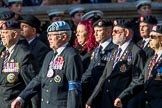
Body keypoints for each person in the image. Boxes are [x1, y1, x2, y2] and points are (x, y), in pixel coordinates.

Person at [11, 21, 83, 108]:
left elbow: (74, 89)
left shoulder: (71, 55)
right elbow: (39, 79)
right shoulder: (49, 55)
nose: (49, 38)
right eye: (48, 35)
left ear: (64, 37)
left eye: (52, 35)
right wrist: (21, 97)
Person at [85, 19, 146, 108]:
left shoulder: (136, 52)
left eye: (116, 31)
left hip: (122, 102)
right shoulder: (115, 51)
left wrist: (123, 97)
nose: (113, 34)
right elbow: (104, 77)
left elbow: (137, 80)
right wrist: (92, 99)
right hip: (107, 101)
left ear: (126, 33)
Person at [114, 24, 162, 108]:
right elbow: (140, 81)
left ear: (161, 39)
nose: (149, 39)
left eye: (153, 37)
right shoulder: (151, 60)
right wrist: (122, 96)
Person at [0, 20, 37, 108]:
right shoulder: (3, 51)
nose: (2, 36)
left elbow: (31, 84)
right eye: (1, 33)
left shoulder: (24, 55)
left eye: (5, 33)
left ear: (15, 34)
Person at [81, 19, 117, 108]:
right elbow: (89, 72)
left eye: (99, 31)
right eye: (95, 31)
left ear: (109, 32)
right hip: (93, 94)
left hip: (106, 95)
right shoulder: (97, 50)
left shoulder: (115, 49)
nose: (95, 34)